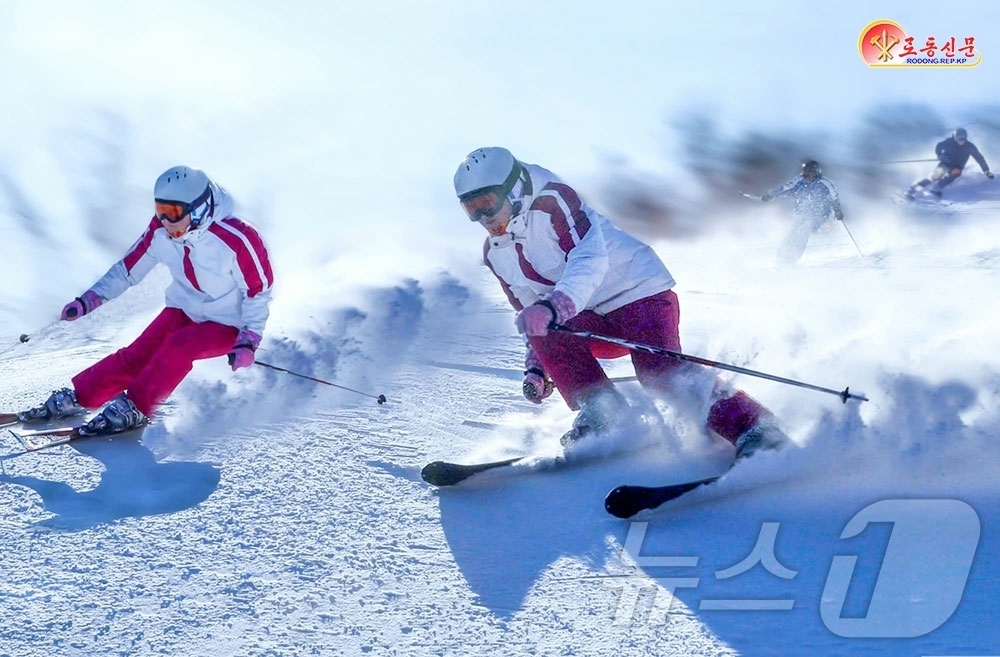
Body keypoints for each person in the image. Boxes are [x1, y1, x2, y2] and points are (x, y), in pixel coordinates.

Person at [453, 146, 785, 458]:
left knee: (659, 373)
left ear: (514, 190)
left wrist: (555, 306)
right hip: (589, 317)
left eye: (487, 202)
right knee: (539, 325)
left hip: (638, 293)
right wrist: (538, 366)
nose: (483, 216)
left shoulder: (554, 201)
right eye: (471, 208)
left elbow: (589, 258)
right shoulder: (495, 253)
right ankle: (604, 413)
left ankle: (755, 428)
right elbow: (533, 314)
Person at [18, 166, 274, 436]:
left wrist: (249, 340)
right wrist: (89, 300)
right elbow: (127, 270)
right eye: (160, 210)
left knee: (178, 347)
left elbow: (258, 290)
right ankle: (82, 396)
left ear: (199, 209)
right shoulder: (160, 231)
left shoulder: (238, 238)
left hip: (229, 324)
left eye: (173, 212)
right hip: (184, 310)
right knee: (138, 353)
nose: (165, 220)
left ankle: (137, 407)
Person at [759, 160, 844, 265]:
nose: (808, 177)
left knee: (805, 229)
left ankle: (792, 258)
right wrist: (771, 195)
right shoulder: (799, 180)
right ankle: (782, 256)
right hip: (802, 213)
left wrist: (837, 210)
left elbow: (835, 198)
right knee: (794, 232)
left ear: (817, 173)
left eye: (811, 174)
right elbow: (785, 188)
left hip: (819, 215)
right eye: (806, 174)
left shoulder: (826, 183)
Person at [905, 128, 994, 199]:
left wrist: (986, 171)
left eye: (964, 138)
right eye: (959, 138)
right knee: (934, 177)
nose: (961, 141)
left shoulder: (969, 146)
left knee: (956, 172)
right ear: (955, 137)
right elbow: (939, 146)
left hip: (958, 166)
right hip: (945, 163)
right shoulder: (949, 142)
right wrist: (940, 155)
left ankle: (936, 188)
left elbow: (979, 158)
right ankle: (912, 190)